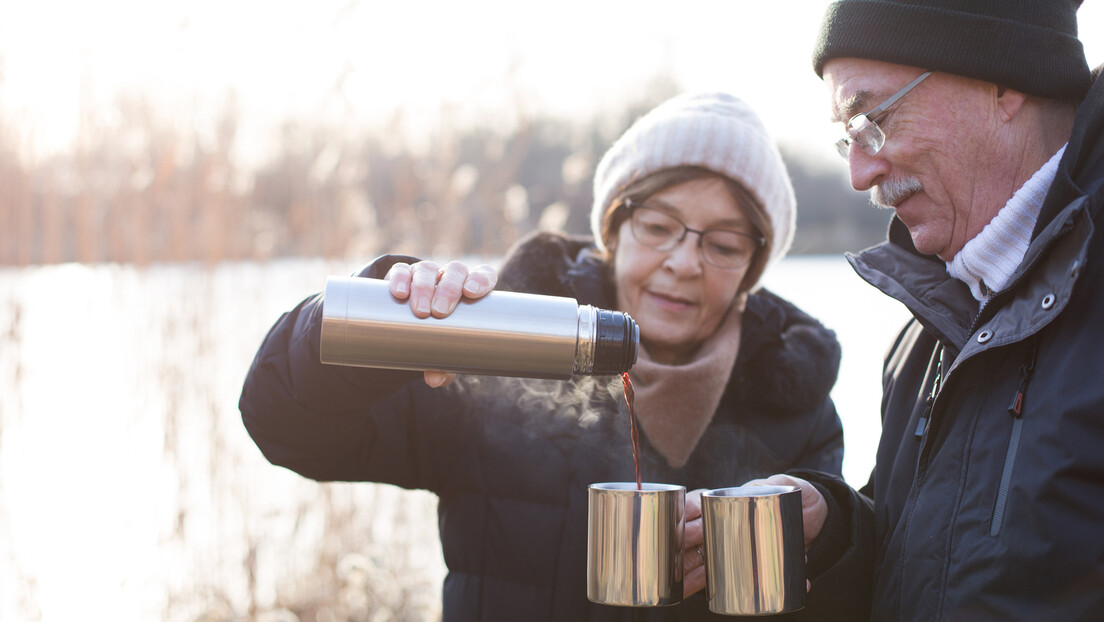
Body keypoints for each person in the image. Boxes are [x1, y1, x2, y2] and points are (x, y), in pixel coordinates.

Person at [239, 91, 846, 620]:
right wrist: (388, 318)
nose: (684, 263)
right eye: (659, 226)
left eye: (724, 244)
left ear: (752, 268)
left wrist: (826, 541)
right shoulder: (495, 351)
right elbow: (286, 428)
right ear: (614, 230)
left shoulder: (795, 402)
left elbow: (852, 591)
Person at [732, 1, 1104, 621]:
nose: (859, 173)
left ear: (1003, 80)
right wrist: (834, 536)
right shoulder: (928, 329)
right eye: (848, 138)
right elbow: (933, 566)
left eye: (874, 120)